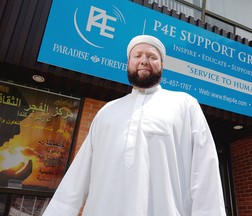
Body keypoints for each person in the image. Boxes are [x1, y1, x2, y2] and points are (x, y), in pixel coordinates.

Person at [43, 35, 226, 216]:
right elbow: (78, 174)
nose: (144, 61)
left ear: (161, 65)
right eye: (137, 56)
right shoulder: (107, 111)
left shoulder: (185, 104)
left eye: (152, 56)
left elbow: (205, 170)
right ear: (128, 63)